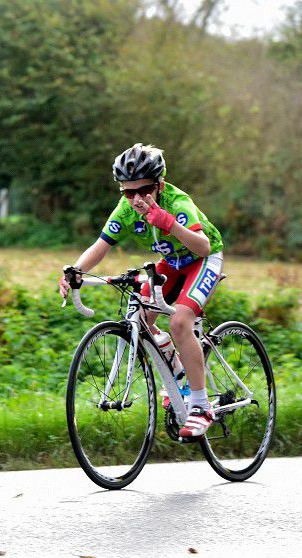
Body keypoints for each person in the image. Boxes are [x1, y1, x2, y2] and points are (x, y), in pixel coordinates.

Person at [58, 143, 225, 438]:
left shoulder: (177, 203)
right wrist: (76, 270)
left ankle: (201, 407)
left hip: (202, 260)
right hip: (172, 263)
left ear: (159, 185)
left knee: (179, 322)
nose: (136, 199)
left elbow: (203, 246)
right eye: (128, 192)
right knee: (142, 316)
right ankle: (178, 373)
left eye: (144, 190)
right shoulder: (126, 209)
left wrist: (169, 223)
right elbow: (100, 246)